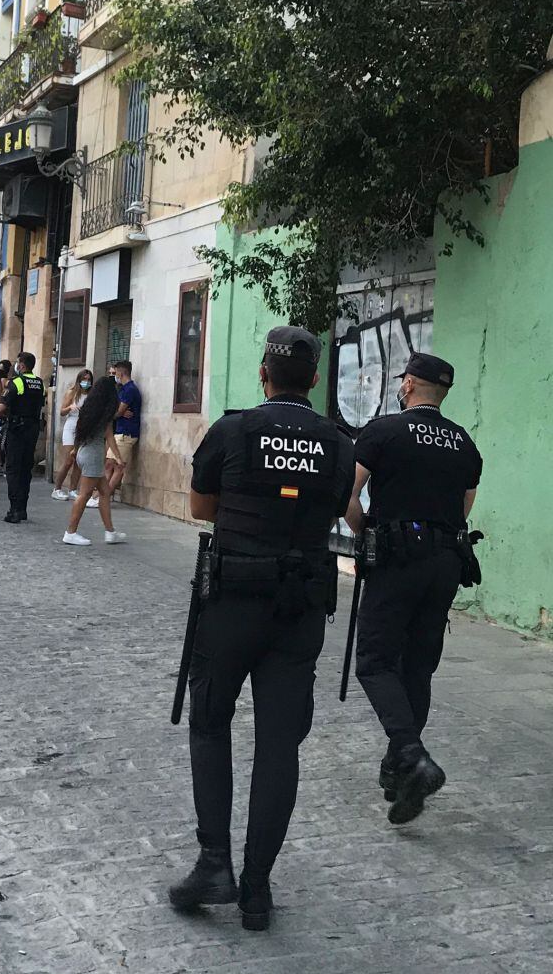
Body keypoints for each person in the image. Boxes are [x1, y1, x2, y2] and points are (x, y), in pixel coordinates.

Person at [168, 327, 355, 931]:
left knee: (210, 723)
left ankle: (214, 862)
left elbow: (200, 507)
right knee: (280, 745)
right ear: (316, 380)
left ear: (262, 373)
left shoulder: (234, 429)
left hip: (233, 598)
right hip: (300, 606)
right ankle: (256, 888)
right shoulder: (336, 441)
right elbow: (330, 508)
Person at [345, 352, 483, 825]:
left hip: (397, 558)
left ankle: (409, 753)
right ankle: (399, 772)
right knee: (418, 665)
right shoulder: (464, 443)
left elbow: (350, 492)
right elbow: (463, 509)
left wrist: (366, 532)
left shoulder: (383, 431)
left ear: (408, 385)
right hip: (445, 561)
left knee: (375, 660)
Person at [62, 377, 127, 546]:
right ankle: (70, 532)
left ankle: (110, 532)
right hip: (93, 456)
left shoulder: (89, 408)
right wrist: (119, 457)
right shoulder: (105, 411)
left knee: (104, 492)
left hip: (84, 452)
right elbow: (109, 436)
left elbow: (80, 431)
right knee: (84, 494)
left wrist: (75, 450)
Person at [0, 352, 47, 525]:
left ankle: (14, 509)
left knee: (12, 468)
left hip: (17, 428)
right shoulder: (40, 383)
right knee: (26, 468)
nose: (16, 366)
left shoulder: (16, 382)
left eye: (17, 363)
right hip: (32, 429)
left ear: (22, 365)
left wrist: (0, 413)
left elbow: (1, 407)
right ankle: (23, 508)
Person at [53, 369, 93, 500]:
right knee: (69, 460)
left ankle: (73, 489)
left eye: (88, 380)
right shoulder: (72, 393)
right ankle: (57, 488)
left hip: (83, 429)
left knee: (79, 461)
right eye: (84, 379)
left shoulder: (91, 395)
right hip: (71, 427)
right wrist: (70, 407)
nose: (86, 382)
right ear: (79, 380)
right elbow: (62, 412)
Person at [107, 360, 141, 500]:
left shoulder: (129, 390)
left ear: (121, 373)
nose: (114, 376)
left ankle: (102, 497)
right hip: (120, 432)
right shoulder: (123, 389)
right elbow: (119, 410)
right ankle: (101, 495)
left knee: (117, 466)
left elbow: (119, 411)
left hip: (126, 433)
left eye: (115, 373)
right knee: (109, 464)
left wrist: (114, 413)